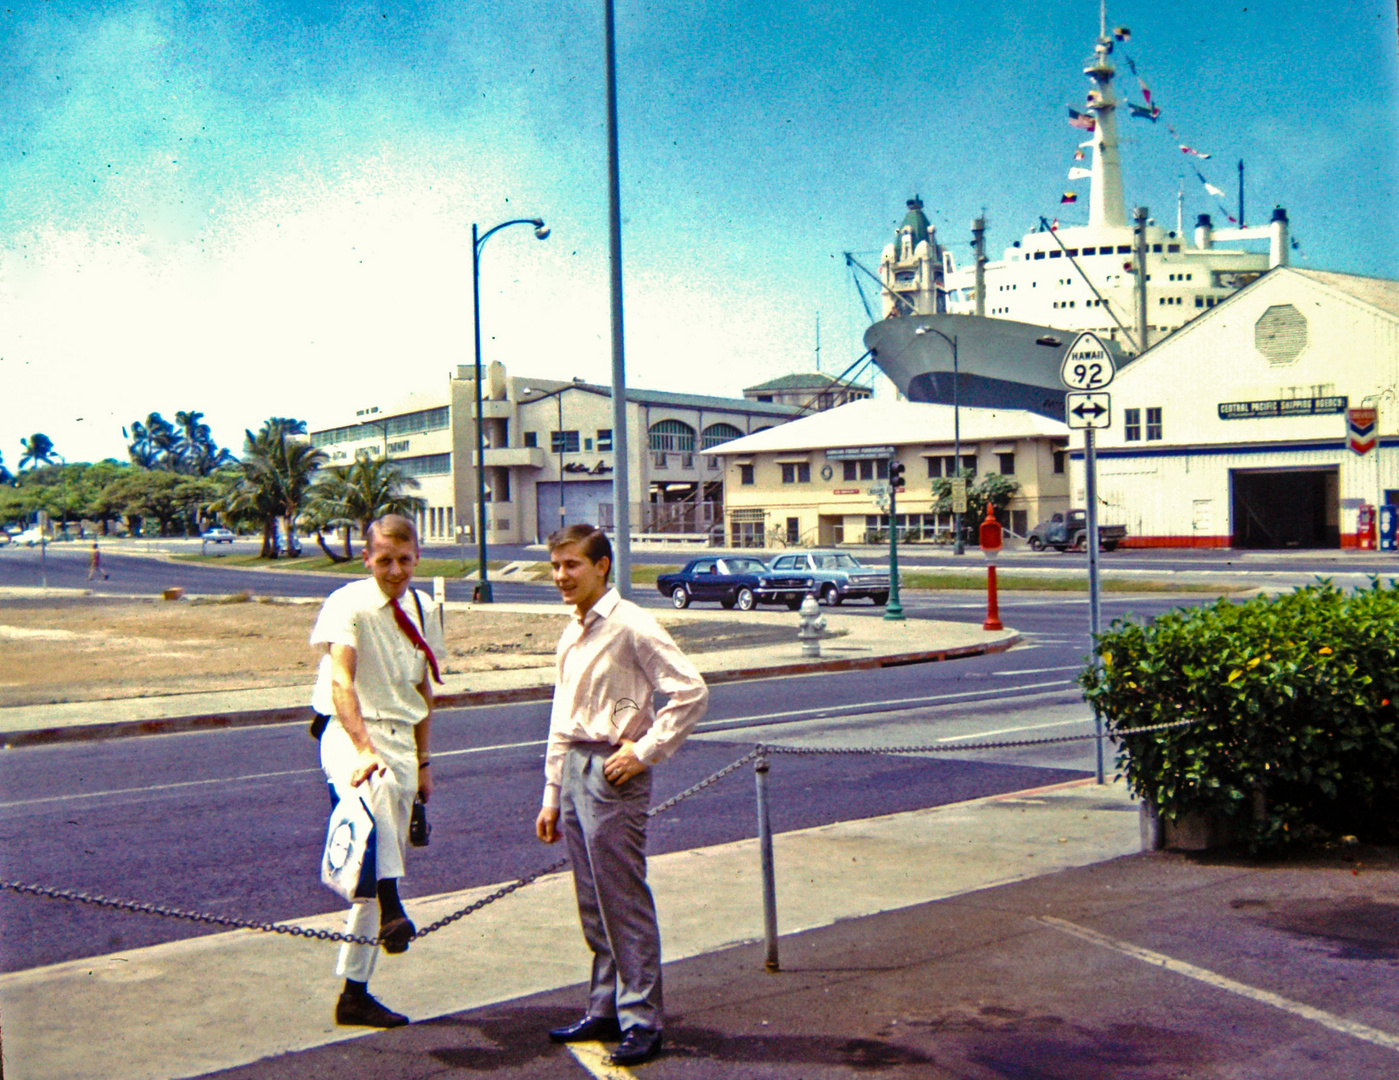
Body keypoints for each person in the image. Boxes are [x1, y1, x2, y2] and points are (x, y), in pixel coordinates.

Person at [535, 524, 708, 1067]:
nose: (561, 577)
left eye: (572, 566)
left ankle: (642, 1022)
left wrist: (645, 751)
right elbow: (561, 719)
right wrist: (550, 791)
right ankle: (604, 1008)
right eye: (556, 567)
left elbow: (690, 691)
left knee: (622, 901)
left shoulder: (632, 625)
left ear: (602, 566)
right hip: (575, 769)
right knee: (593, 901)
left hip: (615, 772)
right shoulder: (572, 632)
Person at [309, 513, 444, 1028]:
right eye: (383, 559)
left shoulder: (424, 607)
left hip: (401, 740)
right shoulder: (348, 603)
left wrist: (425, 761)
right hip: (350, 735)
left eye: (404, 560)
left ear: (416, 559)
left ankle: (354, 993)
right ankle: (393, 908)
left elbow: (423, 690)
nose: (394, 570)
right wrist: (364, 748)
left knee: (372, 862)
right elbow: (342, 680)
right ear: (366, 558)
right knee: (375, 822)